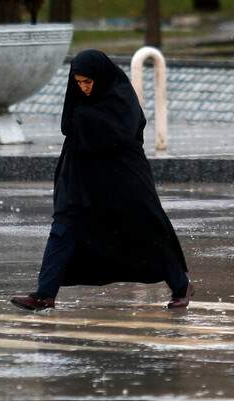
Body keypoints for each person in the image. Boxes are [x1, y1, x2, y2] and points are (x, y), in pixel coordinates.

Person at [10, 49, 192, 311]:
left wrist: (85, 121)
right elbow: (71, 130)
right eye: (78, 82)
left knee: (147, 229)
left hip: (123, 178)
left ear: (100, 77)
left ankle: (181, 285)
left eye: (88, 82)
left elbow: (119, 133)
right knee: (64, 228)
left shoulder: (119, 97)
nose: (83, 88)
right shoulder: (80, 101)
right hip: (82, 179)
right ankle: (45, 293)